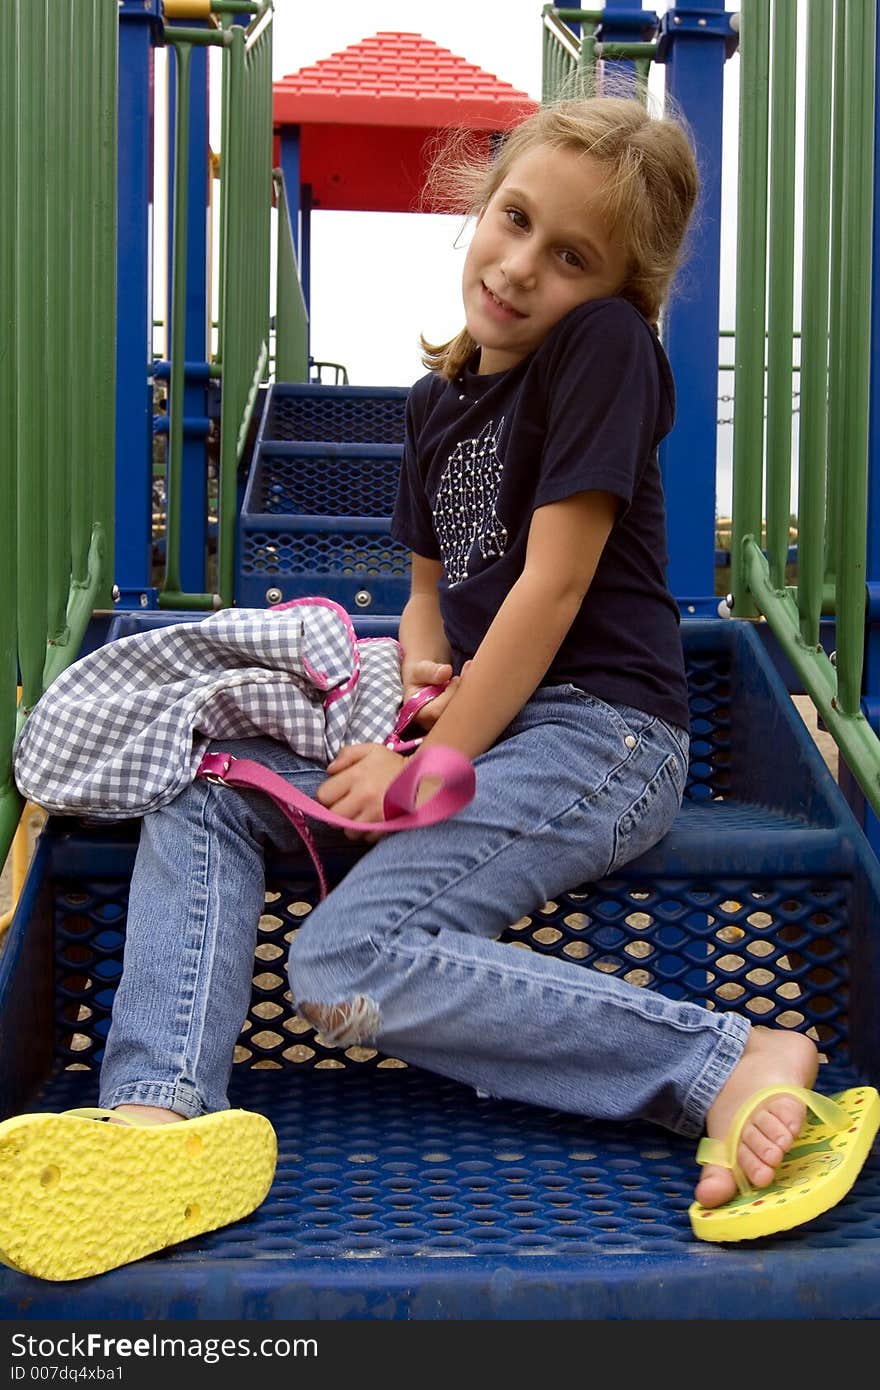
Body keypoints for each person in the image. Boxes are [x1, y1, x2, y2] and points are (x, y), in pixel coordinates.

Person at [1, 92, 864, 1282]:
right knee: (206, 788)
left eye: (570, 257)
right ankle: (159, 1117)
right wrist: (419, 667)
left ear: (618, 289)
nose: (519, 267)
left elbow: (552, 590)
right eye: (511, 220)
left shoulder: (601, 351)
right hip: (483, 725)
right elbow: (426, 587)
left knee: (344, 962)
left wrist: (424, 761)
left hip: (601, 734)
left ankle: (723, 1059)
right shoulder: (432, 409)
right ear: (478, 201)